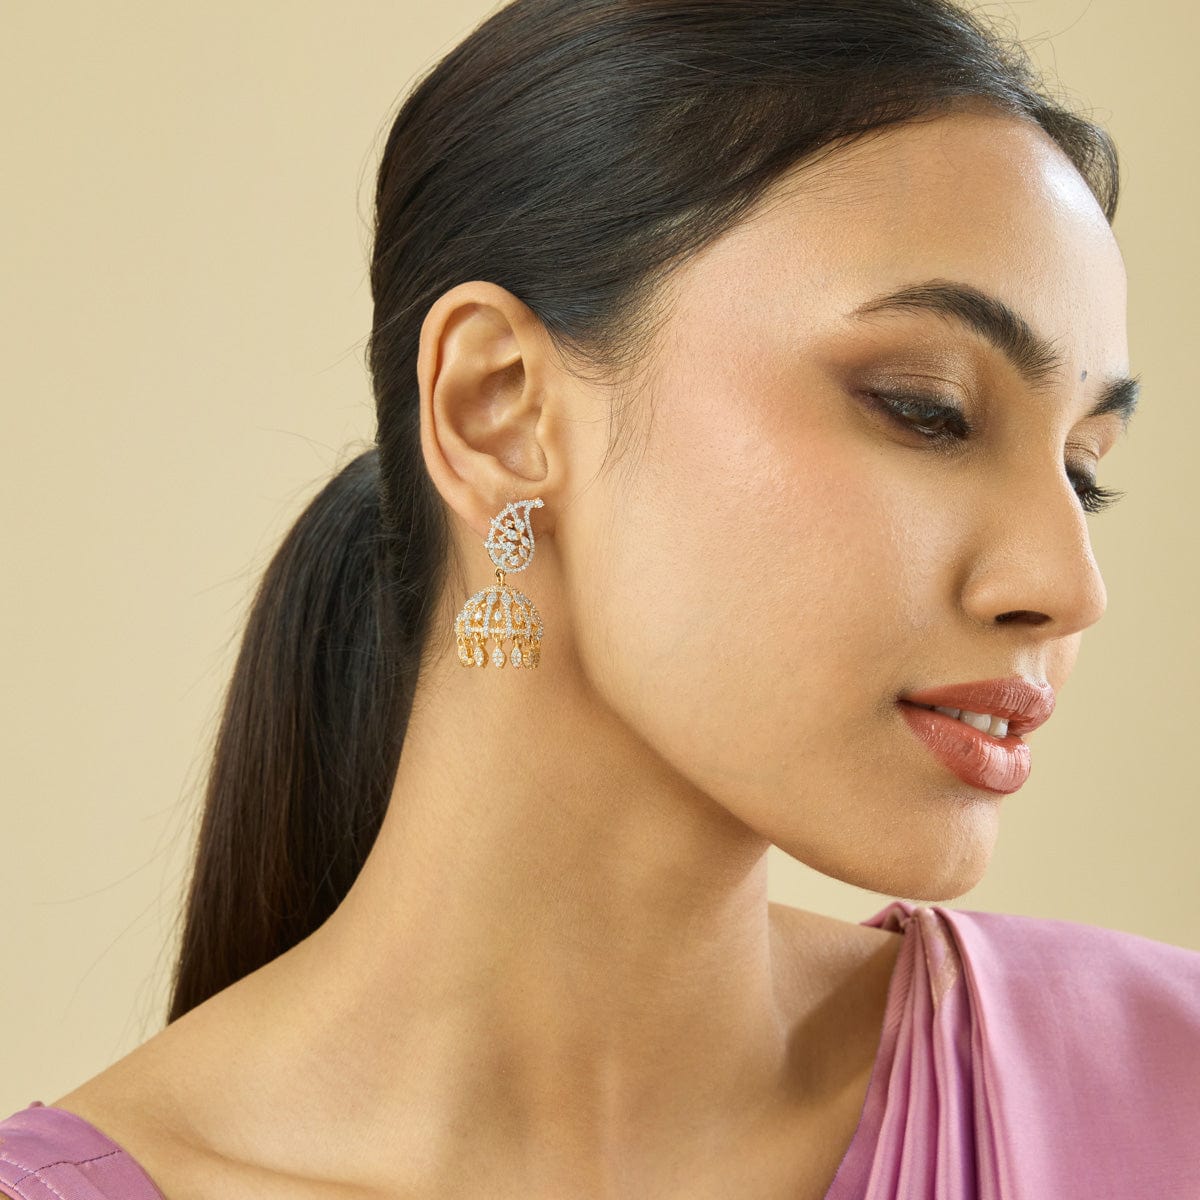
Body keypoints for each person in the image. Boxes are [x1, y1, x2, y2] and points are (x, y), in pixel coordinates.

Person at [3, 1, 1198, 1197]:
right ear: (499, 409)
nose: (1066, 586)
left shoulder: (1164, 1083)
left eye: (1082, 472)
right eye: (926, 409)